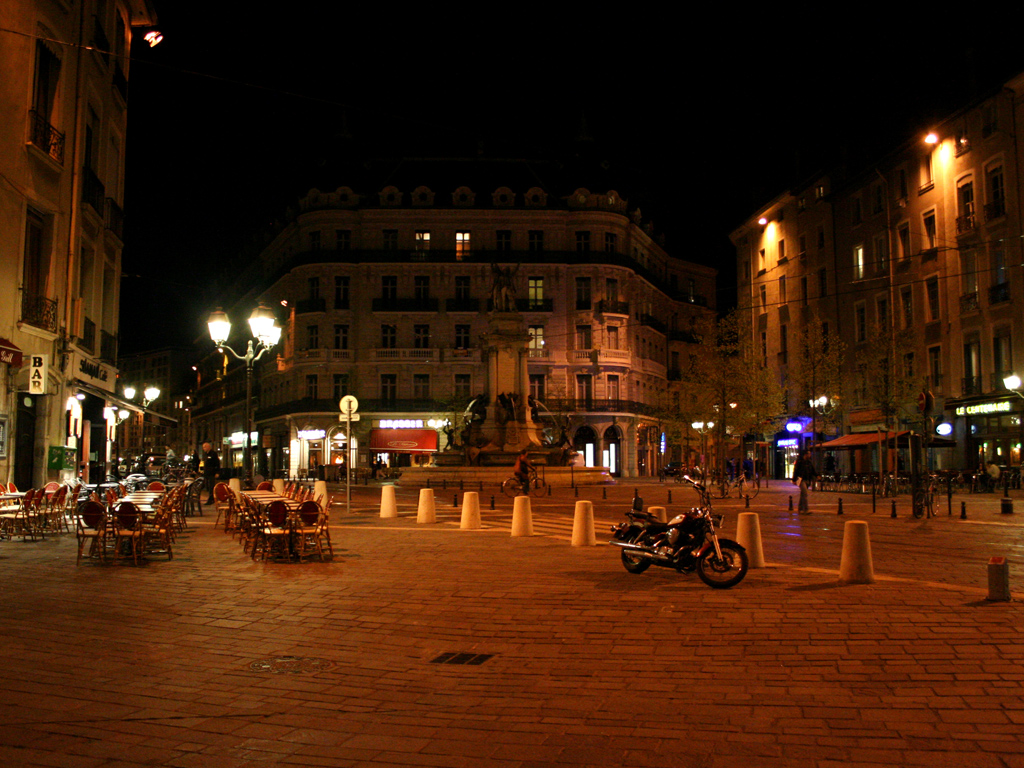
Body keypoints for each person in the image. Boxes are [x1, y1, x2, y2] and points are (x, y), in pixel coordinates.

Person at [792, 449, 817, 514]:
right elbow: (796, 471)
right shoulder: (800, 462)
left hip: (808, 479)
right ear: (805, 454)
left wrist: (816, 475)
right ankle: (806, 509)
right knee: (805, 493)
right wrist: (794, 479)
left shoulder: (809, 462)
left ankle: (800, 508)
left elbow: (812, 470)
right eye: (809, 454)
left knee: (803, 494)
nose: (810, 455)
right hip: (801, 480)